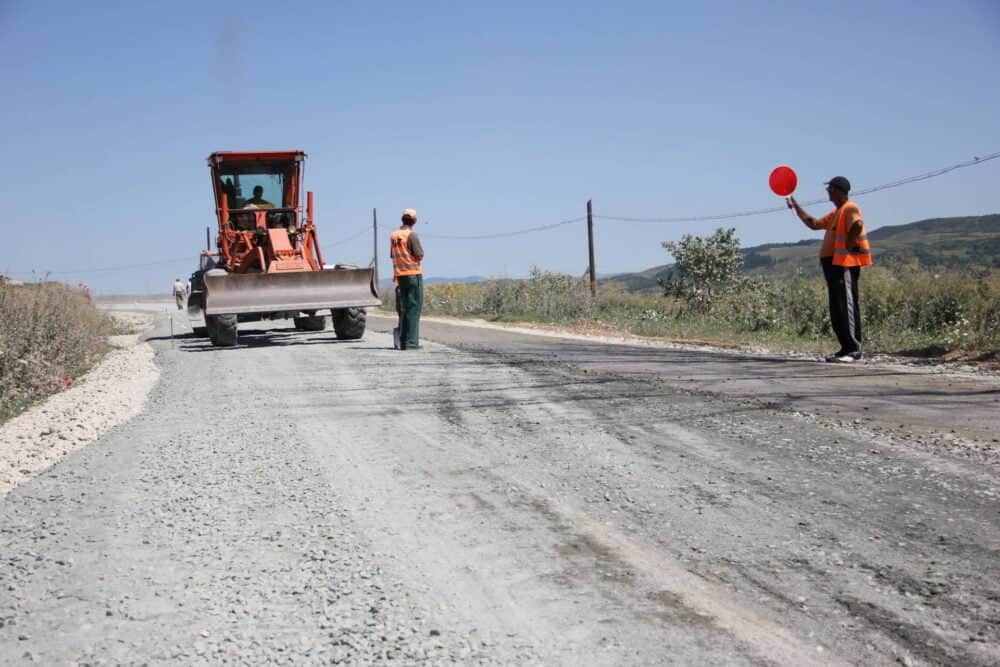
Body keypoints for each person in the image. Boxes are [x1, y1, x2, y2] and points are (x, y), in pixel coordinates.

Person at [788, 176, 873, 362]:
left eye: (830, 188)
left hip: (845, 265)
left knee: (847, 306)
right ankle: (844, 348)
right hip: (833, 266)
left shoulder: (850, 208)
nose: (828, 191)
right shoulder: (837, 213)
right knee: (837, 308)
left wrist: (850, 244)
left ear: (839, 190)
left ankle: (854, 349)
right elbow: (814, 223)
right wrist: (795, 205)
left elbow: (858, 224)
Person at [389, 208, 425, 350]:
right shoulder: (412, 235)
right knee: (414, 307)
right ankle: (411, 342)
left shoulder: (393, 235)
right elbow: (419, 254)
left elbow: (393, 255)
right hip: (413, 274)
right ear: (414, 221)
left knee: (403, 308)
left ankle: (403, 340)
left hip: (400, 275)